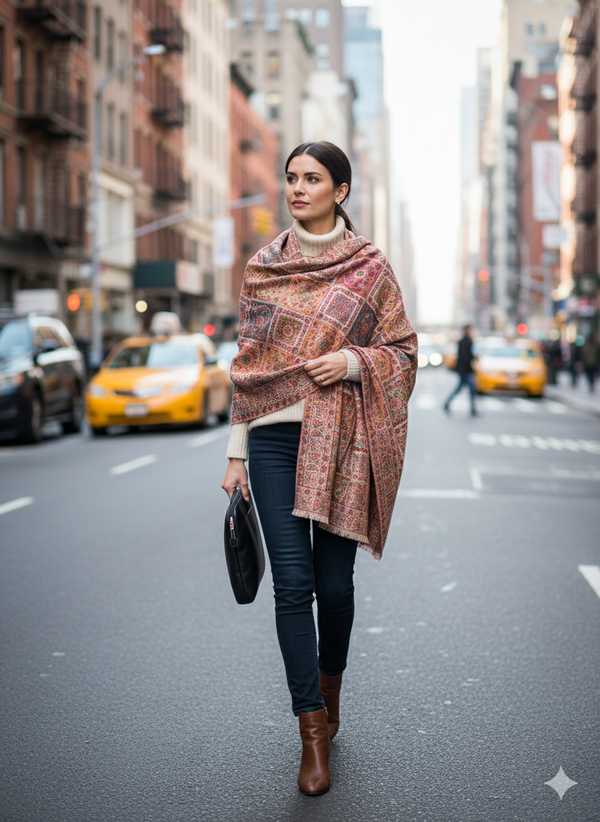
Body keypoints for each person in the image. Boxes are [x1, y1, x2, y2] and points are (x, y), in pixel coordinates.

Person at [221, 141, 418, 797]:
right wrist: (236, 452)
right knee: (292, 585)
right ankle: (311, 732)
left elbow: (402, 350)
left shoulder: (370, 267)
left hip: (342, 440)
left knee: (334, 590)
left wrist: (355, 362)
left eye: (312, 178)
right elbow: (248, 367)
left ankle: (331, 698)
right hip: (274, 441)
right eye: (291, 178)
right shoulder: (263, 267)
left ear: (340, 190)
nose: (297, 188)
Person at [443, 325, 477, 415]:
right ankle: (472, 408)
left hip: (464, 369)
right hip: (464, 370)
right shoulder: (464, 341)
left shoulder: (467, 340)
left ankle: (447, 403)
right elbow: (465, 356)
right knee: (471, 388)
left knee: (461, 388)